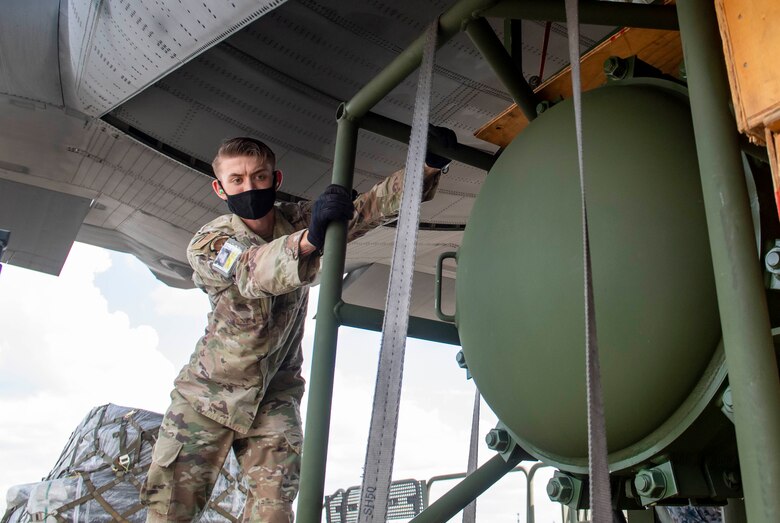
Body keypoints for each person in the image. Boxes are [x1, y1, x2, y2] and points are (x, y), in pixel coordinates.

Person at [140, 130, 456, 523]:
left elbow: (369, 209)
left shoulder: (296, 219)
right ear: (220, 189)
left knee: (275, 511)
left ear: (276, 180)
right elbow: (251, 271)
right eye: (236, 180)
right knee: (170, 511)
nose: (249, 186)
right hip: (207, 399)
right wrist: (310, 240)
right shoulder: (209, 242)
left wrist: (428, 165)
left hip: (274, 395)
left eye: (258, 176)